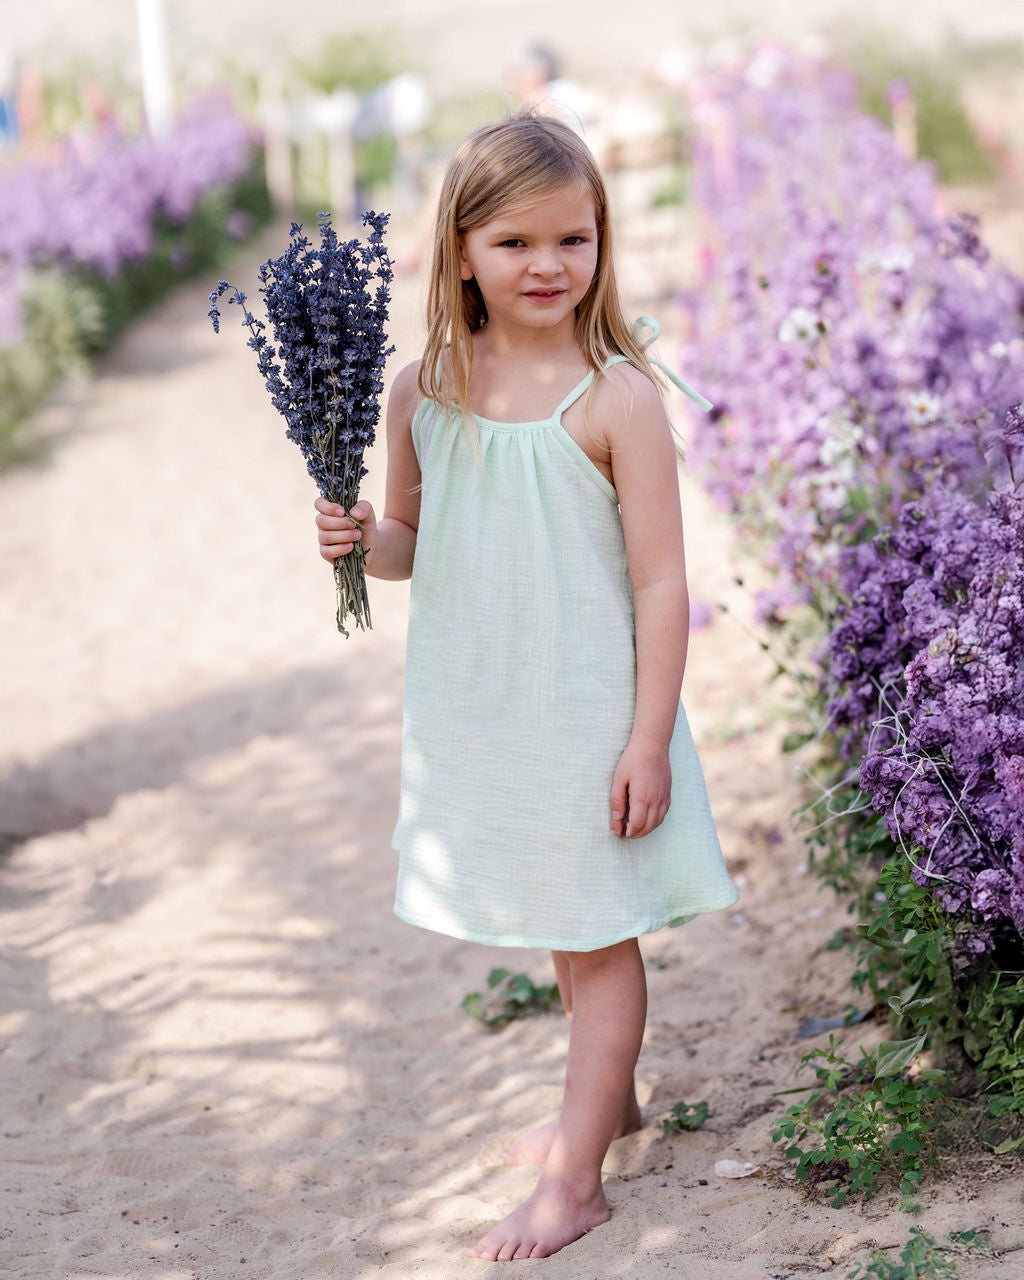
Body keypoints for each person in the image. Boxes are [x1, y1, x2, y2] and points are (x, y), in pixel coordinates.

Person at [314, 112, 737, 1262]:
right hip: (485, 706)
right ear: (460, 251)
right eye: (516, 243)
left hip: (588, 714)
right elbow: (413, 540)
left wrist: (646, 740)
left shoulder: (616, 399)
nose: (549, 265)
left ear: (602, 243)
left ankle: (578, 1181)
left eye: (574, 239)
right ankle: (612, 1101)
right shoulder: (424, 389)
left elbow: (660, 584)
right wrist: (358, 537)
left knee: (596, 943)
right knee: (564, 917)